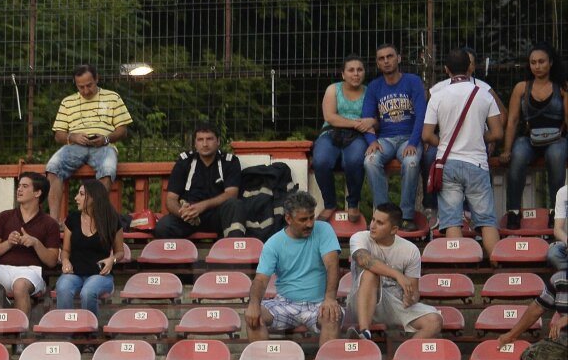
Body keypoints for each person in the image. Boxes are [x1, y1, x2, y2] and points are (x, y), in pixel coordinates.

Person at [421, 47, 505, 260]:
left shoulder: (438, 95)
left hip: (448, 164)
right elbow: (497, 132)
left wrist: (446, 142)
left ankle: (457, 265)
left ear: (446, 69)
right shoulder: (483, 94)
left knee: (451, 220)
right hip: (477, 164)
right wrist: (477, 136)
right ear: (469, 67)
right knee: (486, 219)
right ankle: (497, 266)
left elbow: (426, 134)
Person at [245, 190, 342, 344]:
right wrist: (254, 304)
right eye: (303, 219)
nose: (309, 224)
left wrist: (330, 298)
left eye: (311, 218)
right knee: (254, 316)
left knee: (332, 314)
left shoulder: (324, 229)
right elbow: (261, 281)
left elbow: (332, 265)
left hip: (319, 303)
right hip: (285, 302)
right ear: (288, 219)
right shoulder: (273, 243)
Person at [45, 65, 132, 221]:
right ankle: (53, 221)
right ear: (76, 84)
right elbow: (58, 135)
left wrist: (105, 138)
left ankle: (95, 219)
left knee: (107, 169)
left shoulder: (113, 97)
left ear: (96, 79)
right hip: (74, 146)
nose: (85, 91)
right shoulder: (67, 102)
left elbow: (123, 130)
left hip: (103, 145)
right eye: (81, 87)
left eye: (89, 85)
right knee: (53, 167)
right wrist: (73, 137)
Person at [345, 203, 442, 340]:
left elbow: (414, 291)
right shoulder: (359, 237)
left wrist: (410, 298)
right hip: (360, 302)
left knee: (434, 321)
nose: (372, 226)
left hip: (393, 303)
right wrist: (397, 274)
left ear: (393, 229)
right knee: (370, 273)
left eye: (379, 223)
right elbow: (363, 260)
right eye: (373, 220)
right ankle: (364, 332)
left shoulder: (410, 250)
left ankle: (404, 358)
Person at [0, 171, 61, 315]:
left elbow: (51, 261)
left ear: (37, 193)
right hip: (3, 270)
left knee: (20, 286)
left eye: (25, 186)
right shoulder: (4, 216)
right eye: (19, 186)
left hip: (31, 272)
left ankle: (20, 332)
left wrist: (36, 243)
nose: (19, 189)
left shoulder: (50, 223)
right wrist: (8, 243)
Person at [499, 43, 567, 227]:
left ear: (551, 63)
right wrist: (506, 150)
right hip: (530, 138)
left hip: (557, 138)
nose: (537, 66)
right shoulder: (521, 88)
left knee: (556, 155)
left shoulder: (562, 88)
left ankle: (556, 213)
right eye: (533, 62)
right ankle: (513, 212)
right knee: (518, 155)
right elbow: (512, 120)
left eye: (541, 62)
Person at [362, 43, 427, 230]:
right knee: (370, 161)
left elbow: (421, 115)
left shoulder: (412, 81)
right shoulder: (374, 87)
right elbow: (367, 118)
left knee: (412, 162)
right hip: (386, 139)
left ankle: (406, 216)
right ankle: (383, 214)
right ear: (377, 63)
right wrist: (372, 141)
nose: (386, 61)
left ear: (398, 58)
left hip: (409, 137)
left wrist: (414, 142)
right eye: (381, 58)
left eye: (390, 56)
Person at [153, 122, 246, 239]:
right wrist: (183, 213)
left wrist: (202, 206)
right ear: (195, 143)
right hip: (189, 217)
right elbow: (171, 199)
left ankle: (233, 252)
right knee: (163, 227)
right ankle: (183, 256)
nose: (205, 144)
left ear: (218, 141)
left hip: (217, 215)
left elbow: (231, 194)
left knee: (235, 205)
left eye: (209, 139)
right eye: (200, 140)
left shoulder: (229, 161)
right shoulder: (184, 161)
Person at [311, 55, 372, 221]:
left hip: (358, 136)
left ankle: (353, 203)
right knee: (320, 161)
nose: (356, 74)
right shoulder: (333, 89)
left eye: (359, 70)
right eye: (351, 70)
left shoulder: (369, 92)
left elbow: (374, 120)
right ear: (343, 74)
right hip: (331, 132)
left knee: (353, 161)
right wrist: (355, 123)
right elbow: (330, 117)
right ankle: (330, 204)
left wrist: (368, 123)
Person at [57, 179, 123, 317]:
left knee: (88, 292)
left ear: (93, 197)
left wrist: (112, 260)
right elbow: (66, 251)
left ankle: (89, 333)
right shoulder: (73, 219)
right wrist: (65, 261)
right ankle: (65, 332)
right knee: (63, 287)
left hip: (99, 275)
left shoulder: (111, 220)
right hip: (74, 273)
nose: (76, 198)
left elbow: (120, 252)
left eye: (81, 194)